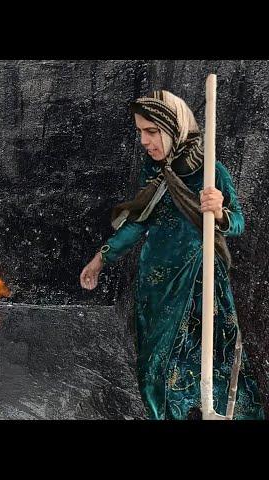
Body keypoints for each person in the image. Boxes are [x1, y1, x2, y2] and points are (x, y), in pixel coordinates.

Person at [79, 90, 265, 420]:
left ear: (174, 128)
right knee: (153, 368)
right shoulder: (154, 174)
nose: (144, 141)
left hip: (200, 285)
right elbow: (137, 224)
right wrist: (101, 257)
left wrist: (219, 212)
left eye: (151, 131)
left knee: (208, 364)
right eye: (140, 131)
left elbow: (237, 222)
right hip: (156, 288)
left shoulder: (211, 171)